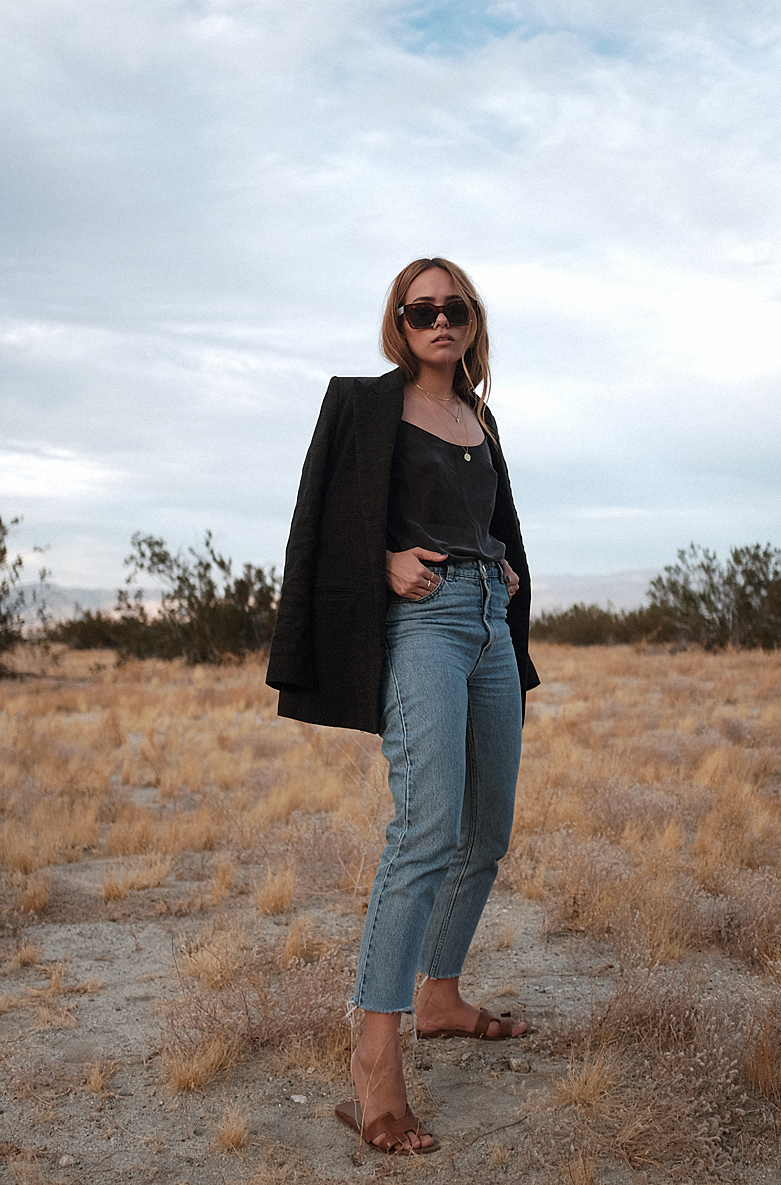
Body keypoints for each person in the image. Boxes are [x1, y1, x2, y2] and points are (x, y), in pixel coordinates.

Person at [266, 257, 539, 1154]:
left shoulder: (478, 414)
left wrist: (497, 563)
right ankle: (376, 1059)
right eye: (422, 308)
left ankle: (440, 995)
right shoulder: (362, 406)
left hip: (488, 623)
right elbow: (325, 518)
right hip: (419, 624)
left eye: (454, 307)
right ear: (400, 320)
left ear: (471, 320)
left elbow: (491, 516)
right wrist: (384, 561)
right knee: (426, 829)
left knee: (486, 828)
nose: (439, 319)